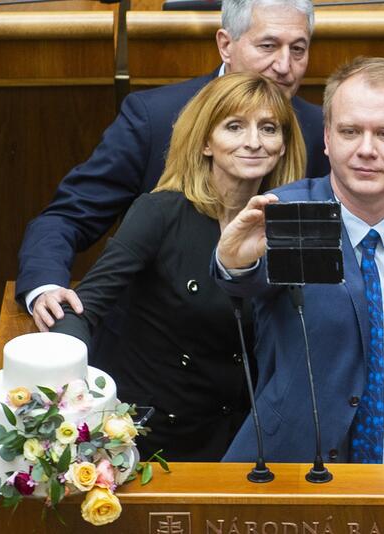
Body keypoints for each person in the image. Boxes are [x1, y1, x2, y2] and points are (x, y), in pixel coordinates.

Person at [215, 57, 384, 464]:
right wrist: (233, 264)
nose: (366, 149)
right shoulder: (290, 212)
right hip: (294, 478)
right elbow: (245, 285)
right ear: (327, 139)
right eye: (350, 131)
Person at [19, 0, 329, 332]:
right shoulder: (154, 117)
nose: (284, 65)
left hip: (264, 347)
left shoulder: (320, 130)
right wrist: (46, 289)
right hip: (161, 346)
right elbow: (68, 217)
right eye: (268, 46)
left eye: (298, 49)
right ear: (226, 44)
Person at [51, 73, 306, 461]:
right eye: (235, 126)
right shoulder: (160, 212)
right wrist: (66, 398)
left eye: (269, 128)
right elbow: (87, 309)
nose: (254, 141)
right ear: (206, 141)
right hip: (153, 443)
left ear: (284, 144)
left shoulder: (289, 223)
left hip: (248, 445)